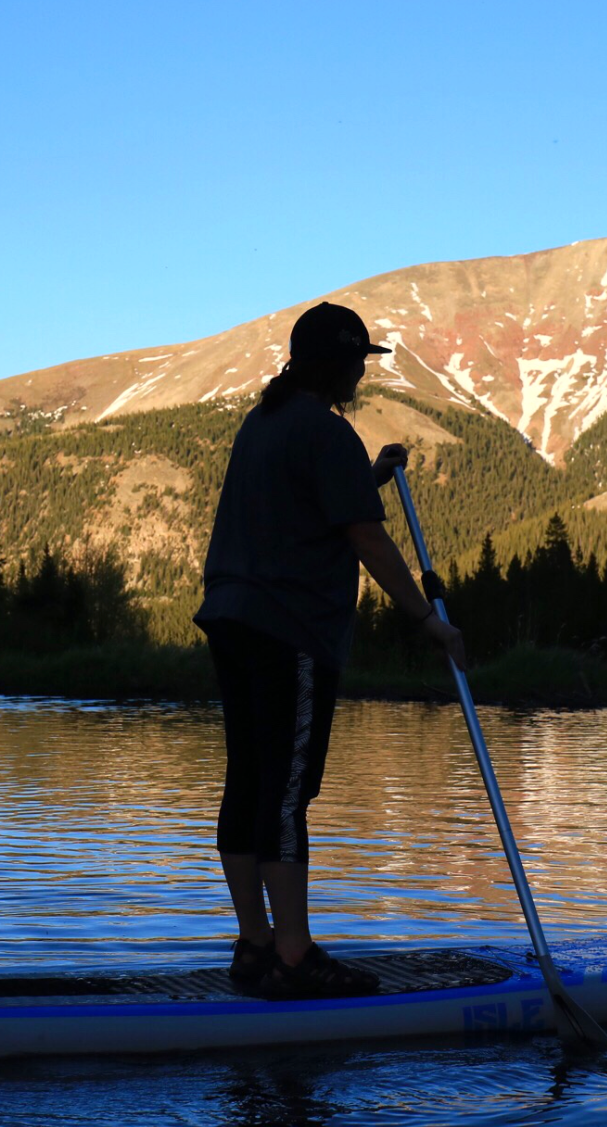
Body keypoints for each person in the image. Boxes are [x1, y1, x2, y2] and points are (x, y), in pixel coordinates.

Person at [194, 300, 467, 999]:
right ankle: (293, 956)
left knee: (250, 781)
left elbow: (307, 502)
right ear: (335, 364)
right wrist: (426, 621)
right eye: (357, 361)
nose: (360, 373)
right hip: (290, 632)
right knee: (286, 793)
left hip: (231, 620)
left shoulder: (264, 423)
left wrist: (372, 473)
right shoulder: (325, 431)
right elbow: (366, 539)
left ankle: (254, 946)